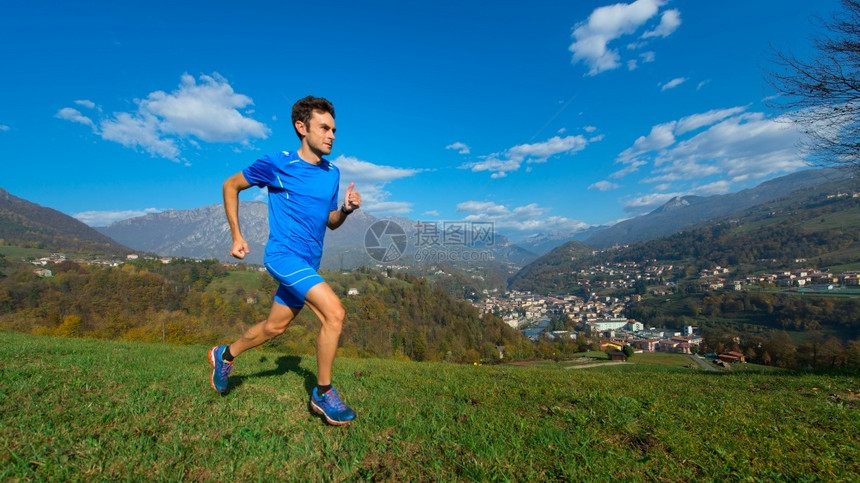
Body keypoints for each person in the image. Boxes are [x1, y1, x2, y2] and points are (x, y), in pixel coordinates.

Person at [208, 96, 361, 426]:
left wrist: (345, 210)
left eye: (334, 129)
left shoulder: (332, 173)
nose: (332, 135)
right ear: (302, 128)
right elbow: (230, 185)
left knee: (274, 327)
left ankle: (225, 354)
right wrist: (237, 235)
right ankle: (322, 393)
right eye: (324, 128)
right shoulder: (278, 164)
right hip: (282, 256)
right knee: (334, 313)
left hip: (308, 263)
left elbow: (329, 221)